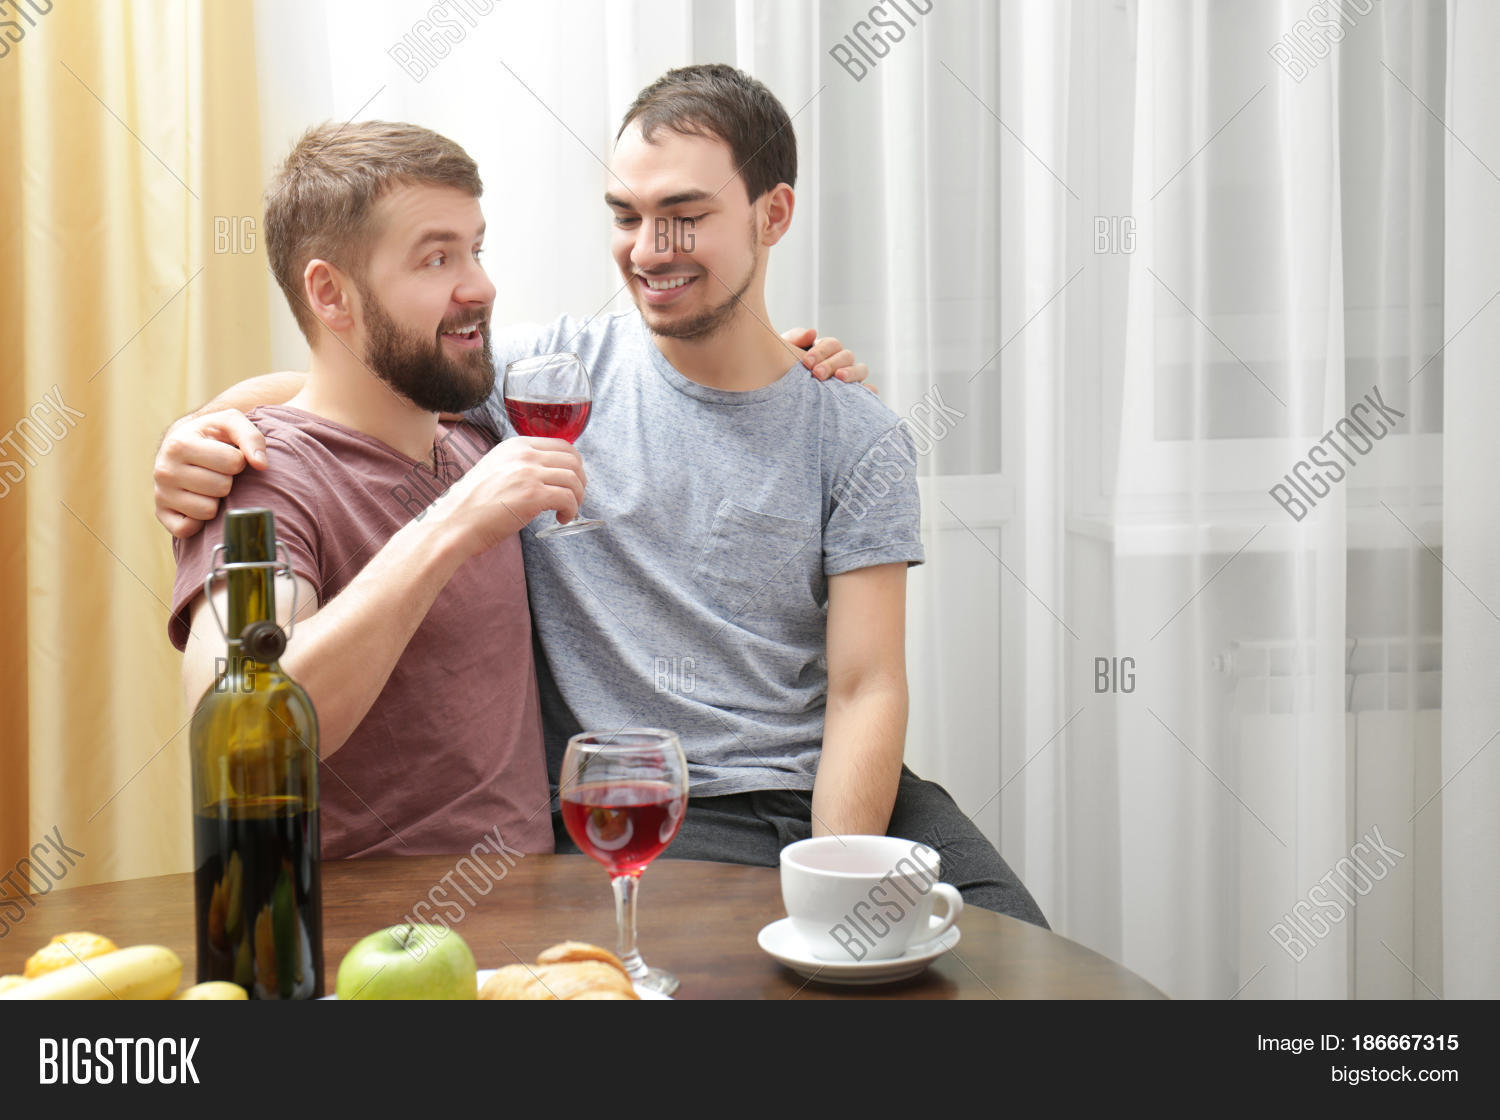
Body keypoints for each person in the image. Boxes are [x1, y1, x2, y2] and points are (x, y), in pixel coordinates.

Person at [159, 66, 1047, 927]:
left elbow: (866, 686)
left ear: (772, 214)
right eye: (628, 216)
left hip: (829, 788)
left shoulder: (853, 431)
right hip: (656, 799)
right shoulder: (546, 386)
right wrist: (200, 430)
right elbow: (360, 379)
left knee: (1023, 961)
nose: (650, 249)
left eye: (684, 216)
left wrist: (831, 879)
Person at [165, 120, 857, 862]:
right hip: (375, 950)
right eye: (437, 258)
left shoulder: (479, 441)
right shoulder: (261, 483)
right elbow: (245, 742)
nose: (482, 287)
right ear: (332, 294)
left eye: (477, 249)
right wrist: (452, 522)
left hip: (540, 927)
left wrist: (782, 371)